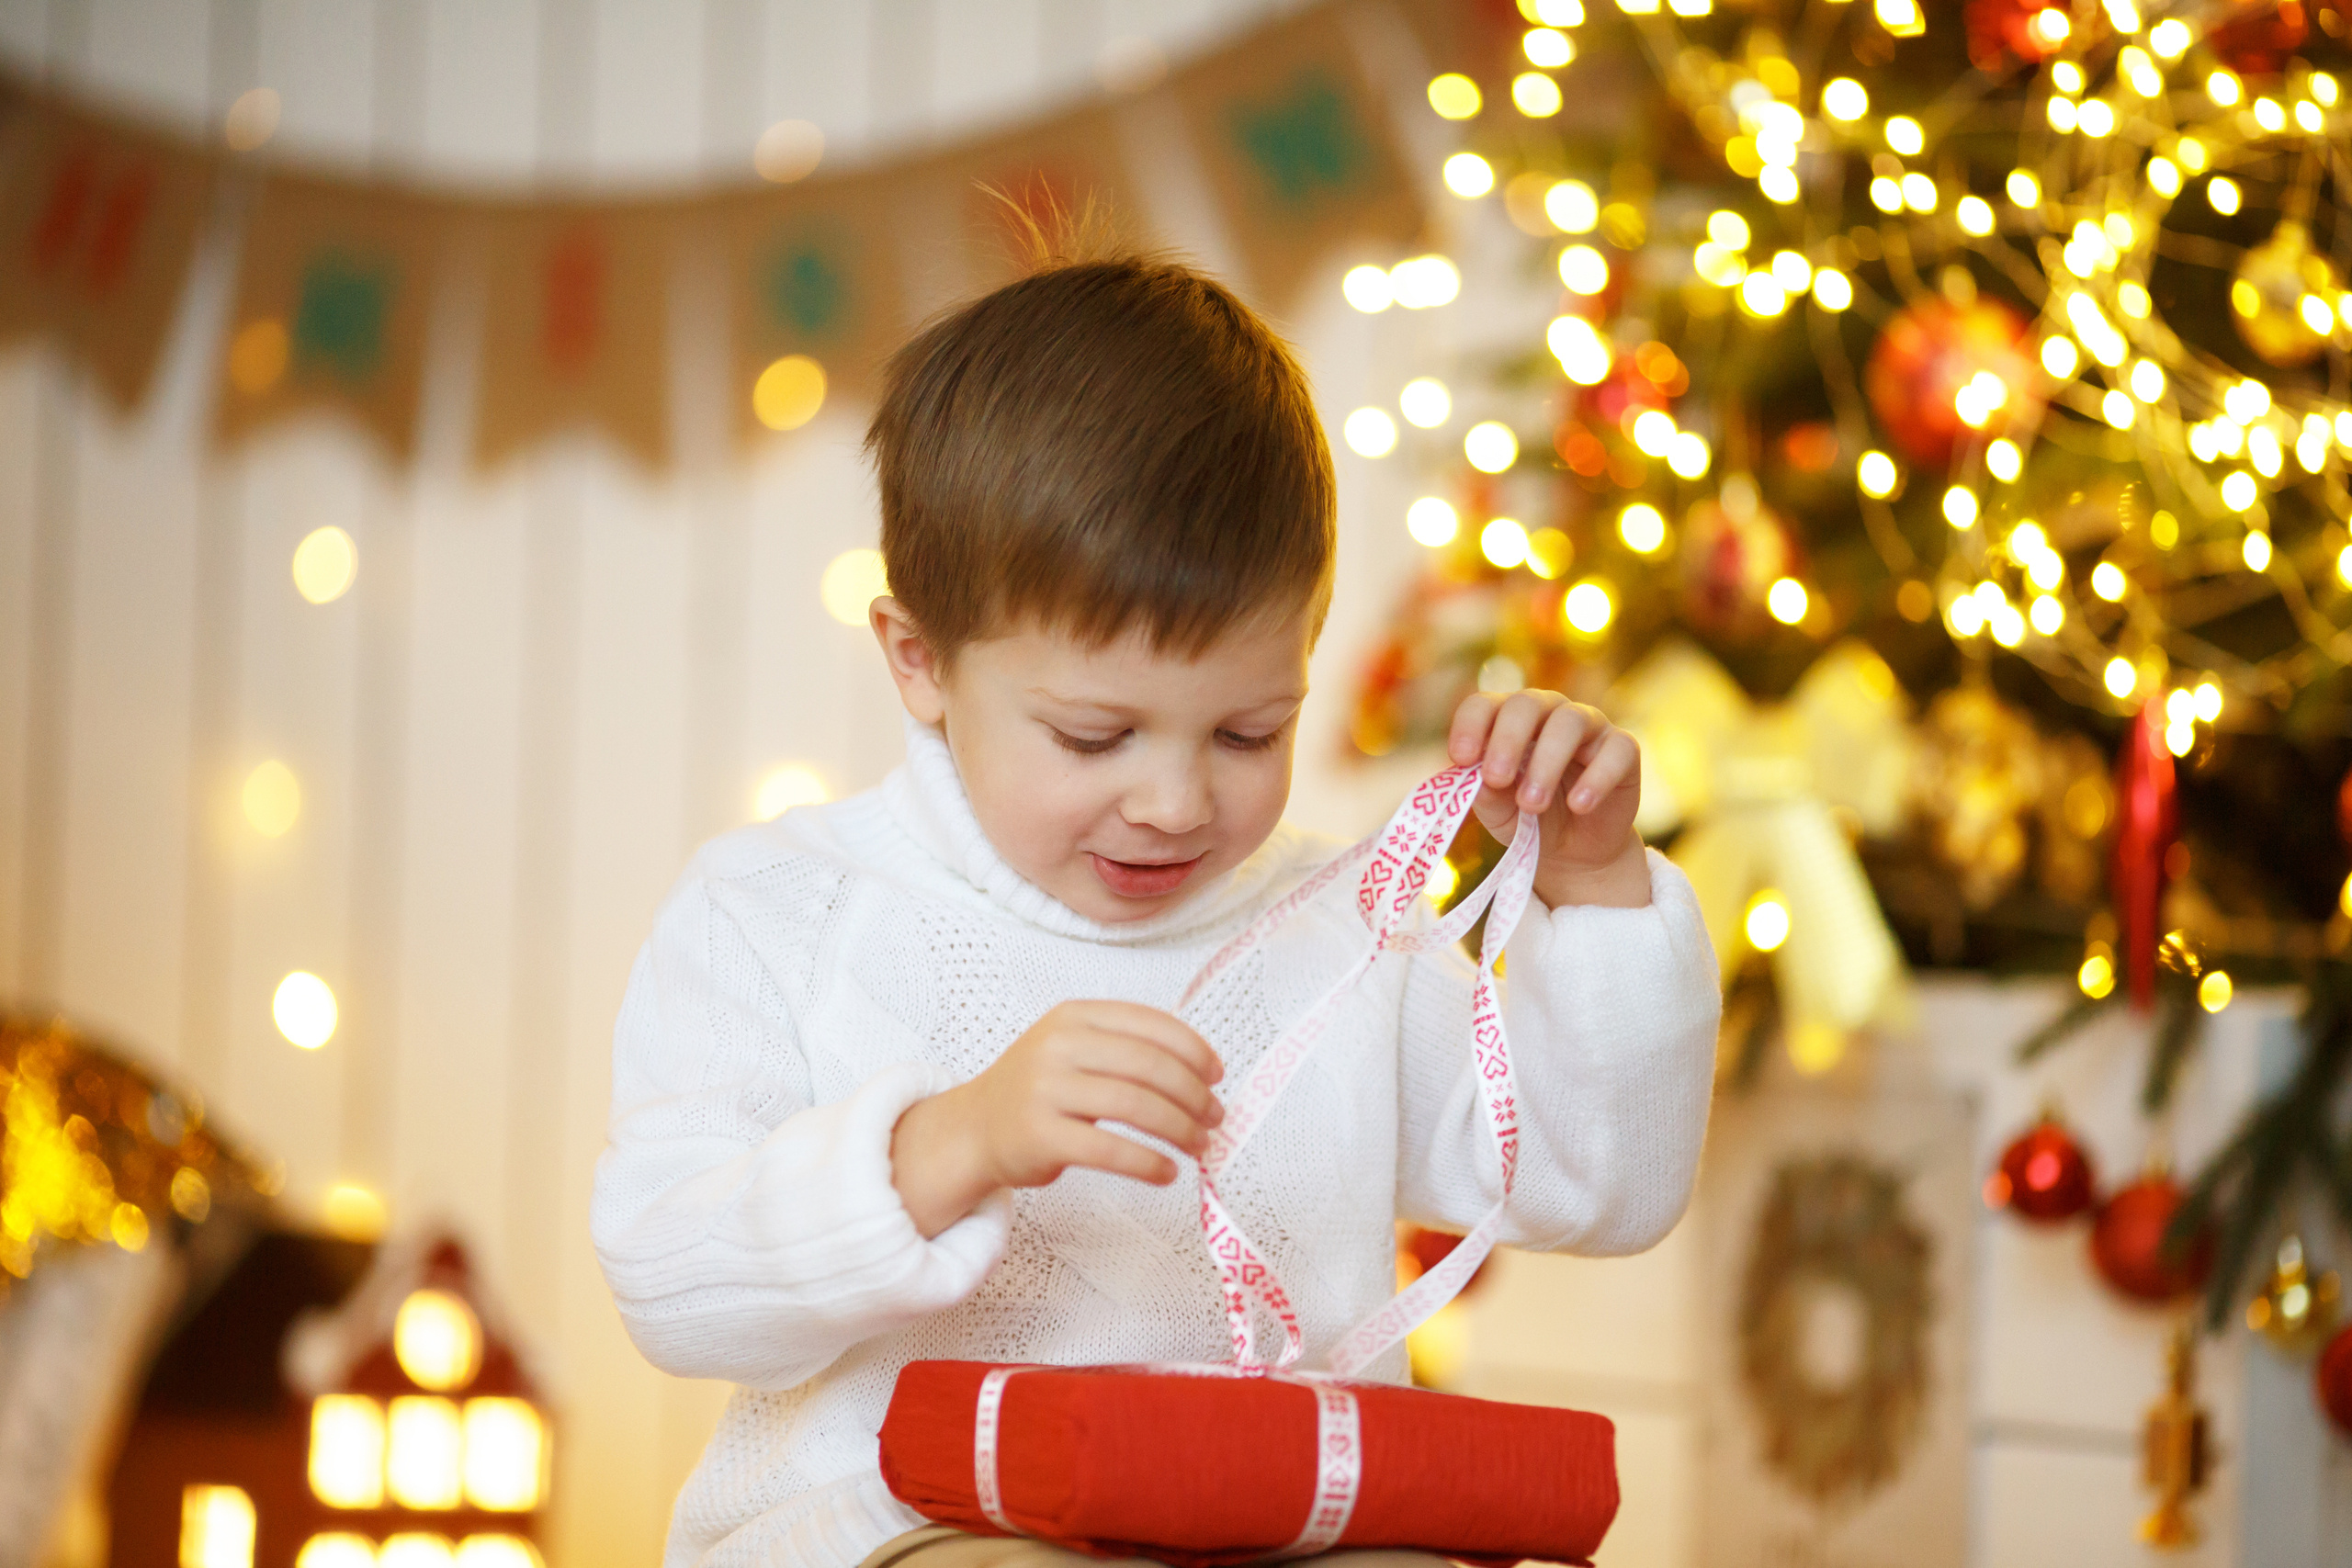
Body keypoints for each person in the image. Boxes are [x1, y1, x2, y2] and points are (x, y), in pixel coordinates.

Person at [591, 239, 1720, 1568]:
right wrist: (947, 1145)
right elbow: (675, 1289)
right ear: (921, 662)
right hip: (899, 1526)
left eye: (1247, 733)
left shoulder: (1345, 934)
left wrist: (1594, 889)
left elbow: (1600, 1189)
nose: (1178, 804)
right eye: (1092, 737)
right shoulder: (778, 915)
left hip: (1278, 1523)